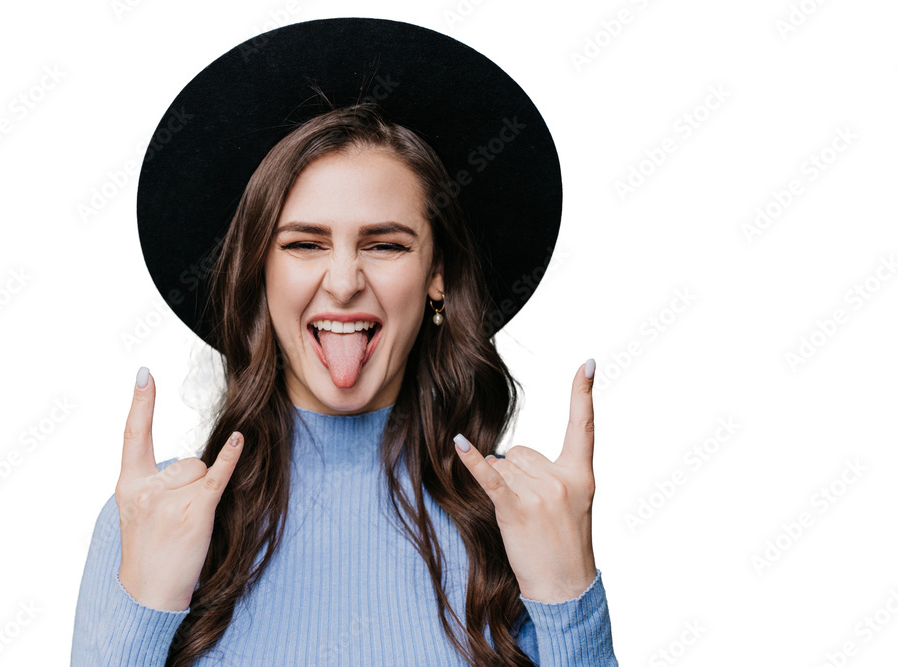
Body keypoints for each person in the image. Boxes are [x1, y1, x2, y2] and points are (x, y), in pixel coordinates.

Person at [72, 18, 618, 667]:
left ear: (437, 275)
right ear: (261, 272)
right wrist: (145, 604)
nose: (343, 281)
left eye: (385, 244)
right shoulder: (153, 513)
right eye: (304, 243)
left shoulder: (519, 516)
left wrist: (569, 597)